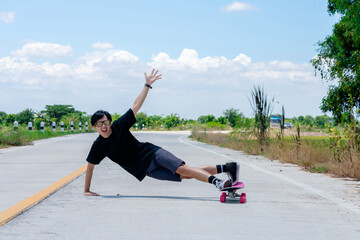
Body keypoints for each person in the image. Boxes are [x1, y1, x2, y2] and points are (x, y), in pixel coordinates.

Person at [84, 69, 240, 196]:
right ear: (94, 127)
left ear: (110, 122)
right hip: (147, 169)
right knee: (185, 174)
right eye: (99, 124)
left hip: (152, 154)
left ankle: (217, 183)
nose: (104, 126)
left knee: (183, 169)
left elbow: (135, 105)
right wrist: (86, 190)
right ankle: (227, 168)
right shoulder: (98, 146)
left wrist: (147, 85)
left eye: (105, 122)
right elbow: (90, 167)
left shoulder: (118, 126)